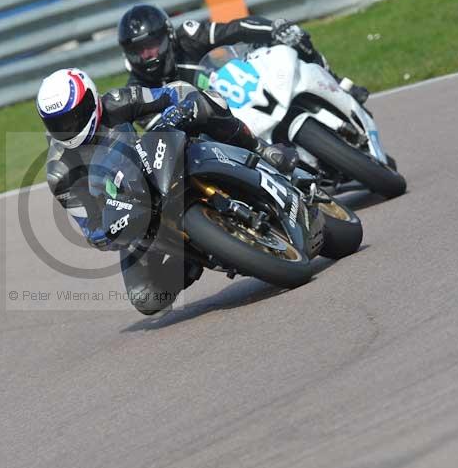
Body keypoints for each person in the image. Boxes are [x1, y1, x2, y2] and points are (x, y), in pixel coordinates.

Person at [36, 68, 299, 314]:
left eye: (74, 116)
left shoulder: (117, 101)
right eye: (57, 123)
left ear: (92, 100)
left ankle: (262, 150)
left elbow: (175, 92)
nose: (68, 128)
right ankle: (192, 257)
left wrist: (178, 109)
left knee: (207, 104)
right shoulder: (59, 172)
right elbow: (91, 228)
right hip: (130, 207)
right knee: (146, 298)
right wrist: (110, 229)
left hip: (157, 161)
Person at [118, 4, 370, 105]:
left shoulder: (189, 37)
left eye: (151, 44)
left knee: (294, 40)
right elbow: (156, 133)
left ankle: (338, 85)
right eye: (138, 51)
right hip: (219, 126)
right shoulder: (138, 89)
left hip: (247, 82)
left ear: (167, 36)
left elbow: (236, 29)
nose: (148, 54)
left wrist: (274, 28)